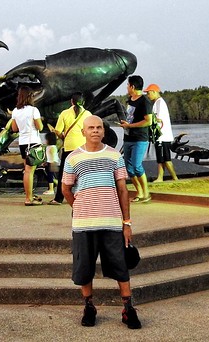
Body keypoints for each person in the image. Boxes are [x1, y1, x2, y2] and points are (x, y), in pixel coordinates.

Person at [61, 115, 141, 329]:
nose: (95, 131)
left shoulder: (114, 155)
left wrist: (127, 223)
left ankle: (128, 308)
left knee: (120, 266)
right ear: (83, 132)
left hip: (112, 223)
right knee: (84, 267)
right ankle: (89, 307)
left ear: (104, 131)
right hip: (83, 224)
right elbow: (66, 189)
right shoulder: (73, 159)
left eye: (98, 127)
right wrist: (79, 207)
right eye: (91, 128)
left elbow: (123, 190)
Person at [49, 92, 92, 205]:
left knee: (65, 175)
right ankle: (85, 197)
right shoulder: (88, 114)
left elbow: (58, 131)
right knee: (83, 174)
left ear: (71, 101)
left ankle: (58, 198)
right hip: (83, 148)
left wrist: (62, 136)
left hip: (69, 148)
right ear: (83, 102)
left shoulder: (65, 113)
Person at [120, 75, 153, 203]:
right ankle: (139, 191)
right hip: (128, 137)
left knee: (137, 165)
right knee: (128, 167)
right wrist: (126, 123)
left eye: (128, 85)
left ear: (133, 86)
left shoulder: (144, 101)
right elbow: (131, 116)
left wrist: (130, 125)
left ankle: (146, 193)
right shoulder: (130, 100)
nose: (127, 87)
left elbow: (148, 121)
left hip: (140, 138)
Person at [10, 86, 44, 206]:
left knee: (27, 170)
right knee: (29, 171)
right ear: (30, 96)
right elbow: (40, 127)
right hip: (33, 142)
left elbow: (14, 128)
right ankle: (29, 198)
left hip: (22, 143)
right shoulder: (34, 110)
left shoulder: (15, 111)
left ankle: (29, 195)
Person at [145, 83, 178, 183]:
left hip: (162, 136)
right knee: (160, 159)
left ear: (154, 92)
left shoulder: (159, 103)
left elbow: (157, 119)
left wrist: (147, 121)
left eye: (148, 92)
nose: (147, 95)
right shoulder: (158, 102)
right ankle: (160, 177)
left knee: (166, 159)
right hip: (160, 136)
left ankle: (175, 178)